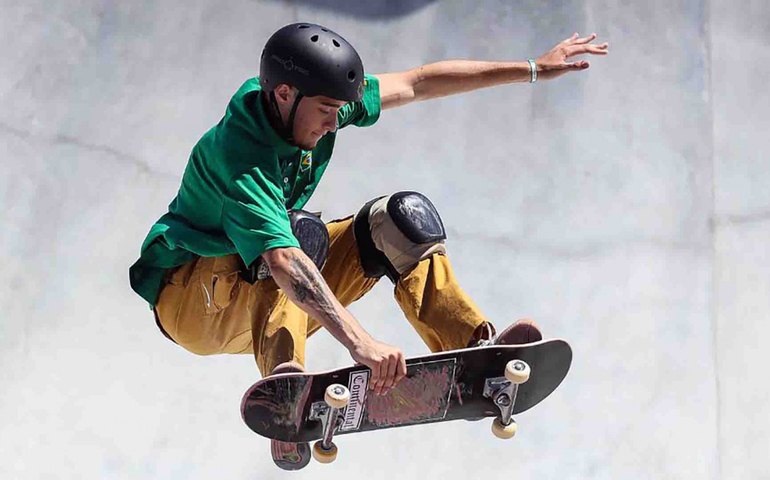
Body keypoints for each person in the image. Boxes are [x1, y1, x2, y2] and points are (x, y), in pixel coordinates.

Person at [129, 23, 608, 470]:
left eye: (340, 112)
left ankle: (476, 353)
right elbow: (282, 260)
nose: (333, 125)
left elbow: (418, 82)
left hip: (257, 292)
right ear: (283, 94)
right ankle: (287, 383)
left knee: (400, 219)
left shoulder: (312, 99)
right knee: (297, 238)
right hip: (193, 301)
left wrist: (532, 68)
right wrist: (361, 343)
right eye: (326, 113)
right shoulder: (239, 154)